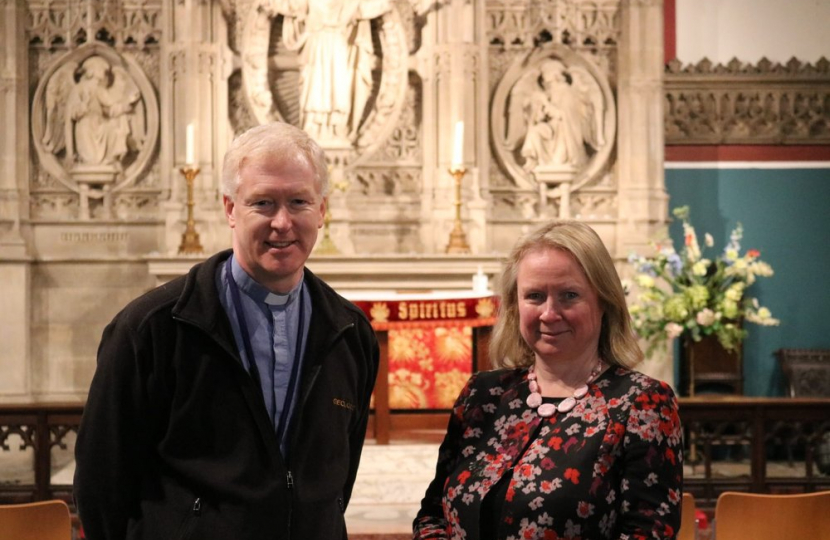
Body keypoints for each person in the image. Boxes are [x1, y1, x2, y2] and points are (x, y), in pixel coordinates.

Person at [74, 122, 380, 540]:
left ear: (322, 210)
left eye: (299, 202)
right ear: (230, 208)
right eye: (263, 203)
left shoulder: (350, 332)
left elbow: (337, 482)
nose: (282, 222)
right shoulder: (153, 328)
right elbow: (101, 486)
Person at [413, 221, 683, 540]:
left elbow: (647, 533)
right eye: (535, 296)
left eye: (569, 295)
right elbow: (433, 514)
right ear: (515, 306)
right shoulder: (482, 395)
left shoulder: (643, 404)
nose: (549, 313)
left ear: (604, 302)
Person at [272, 0, 390, 142]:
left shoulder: (349, 3)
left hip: (337, 50)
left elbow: (373, 7)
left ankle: (337, 129)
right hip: (317, 49)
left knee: (337, 89)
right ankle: (313, 128)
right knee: (315, 89)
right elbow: (289, 6)